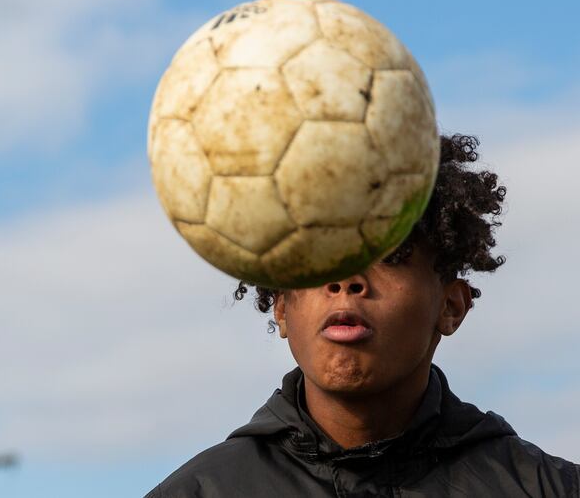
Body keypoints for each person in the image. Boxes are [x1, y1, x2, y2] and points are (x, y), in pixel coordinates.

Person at [146, 135, 580, 497]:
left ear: (451, 306)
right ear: (281, 305)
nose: (346, 279)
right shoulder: (199, 492)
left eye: (389, 255)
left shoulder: (549, 487)